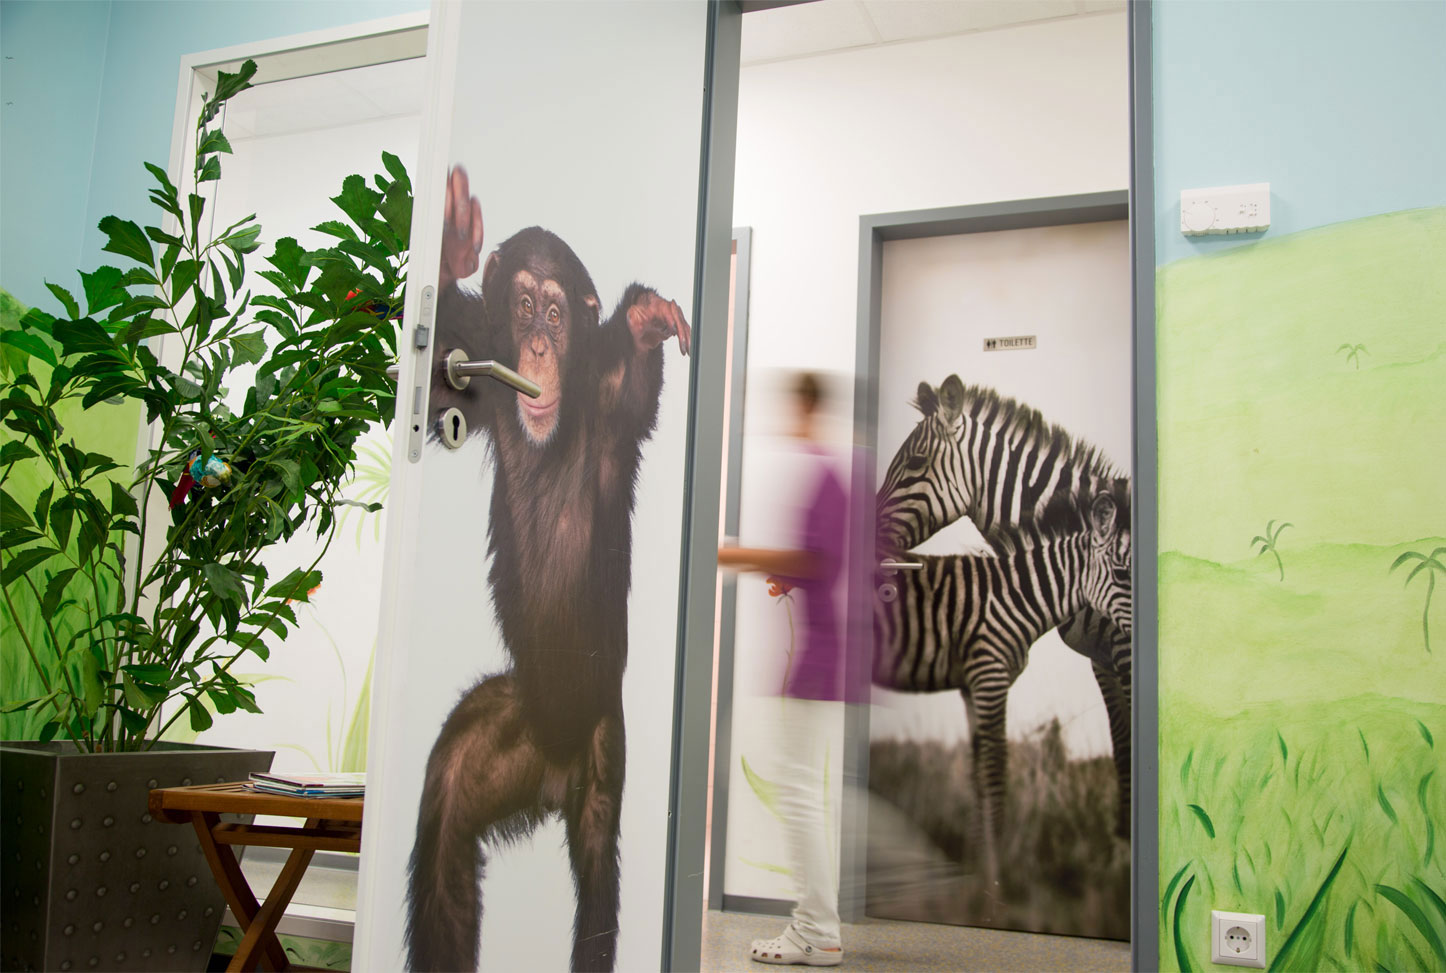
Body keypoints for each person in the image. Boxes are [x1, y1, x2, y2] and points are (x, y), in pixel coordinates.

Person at [718, 372, 849, 968]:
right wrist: (780, 571)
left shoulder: (823, 477)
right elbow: (814, 564)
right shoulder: (826, 475)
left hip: (817, 660)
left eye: (787, 408)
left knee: (798, 795)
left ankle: (817, 930)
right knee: (802, 793)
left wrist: (736, 554)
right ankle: (817, 926)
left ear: (806, 408)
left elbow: (817, 561)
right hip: (818, 658)